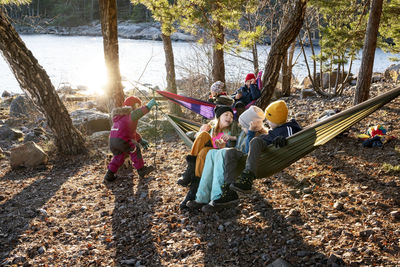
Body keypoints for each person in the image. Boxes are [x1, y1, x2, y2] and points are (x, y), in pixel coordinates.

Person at [186, 106, 267, 212]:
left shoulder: (257, 135)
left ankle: (217, 197)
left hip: (243, 159)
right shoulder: (243, 132)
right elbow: (237, 146)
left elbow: (248, 150)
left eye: (244, 127)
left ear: (251, 125)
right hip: (235, 156)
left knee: (223, 152)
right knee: (211, 153)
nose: (241, 128)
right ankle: (202, 197)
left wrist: (251, 132)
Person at [226, 100, 302, 196]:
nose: (267, 122)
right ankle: (236, 185)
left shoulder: (288, 128)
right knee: (235, 150)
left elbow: (294, 139)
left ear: (276, 120)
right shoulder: (274, 130)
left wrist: (284, 139)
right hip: (259, 152)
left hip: (270, 156)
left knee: (255, 141)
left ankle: (247, 177)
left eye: (269, 119)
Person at [178, 105, 237, 209]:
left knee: (204, 151)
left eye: (232, 116)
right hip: (205, 155)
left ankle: (190, 181)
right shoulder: (210, 128)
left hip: (218, 155)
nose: (229, 118)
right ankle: (193, 185)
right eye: (226, 115)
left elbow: (235, 147)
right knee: (203, 137)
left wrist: (225, 144)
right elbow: (191, 135)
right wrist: (199, 132)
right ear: (218, 117)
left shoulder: (232, 131)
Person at [104, 96, 158, 182]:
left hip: (113, 141)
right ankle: (141, 170)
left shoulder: (120, 117)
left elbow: (130, 132)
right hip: (121, 140)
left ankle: (109, 175)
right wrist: (148, 106)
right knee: (135, 149)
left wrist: (140, 140)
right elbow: (139, 113)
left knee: (119, 157)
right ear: (133, 106)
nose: (138, 108)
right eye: (137, 106)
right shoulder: (130, 115)